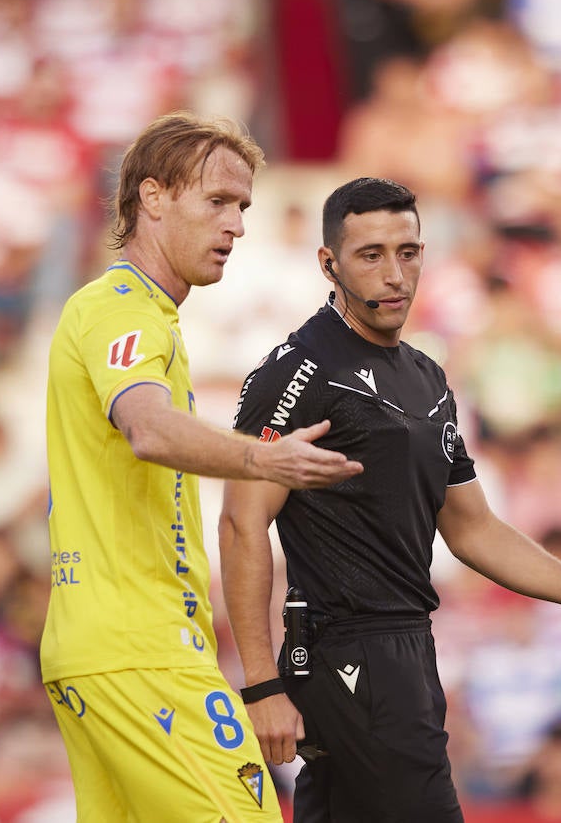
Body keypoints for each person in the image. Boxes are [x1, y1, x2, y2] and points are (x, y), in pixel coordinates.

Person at [218, 176, 561, 822]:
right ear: (328, 263)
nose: (395, 274)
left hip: (408, 648)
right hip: (347, 652)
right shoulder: (298, 370)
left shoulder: (427, 376)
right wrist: (262, 684)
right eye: (371, 254)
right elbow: (242, 522)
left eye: (408, 252)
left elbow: (472, 529)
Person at [41, 112, 362, 823]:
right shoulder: (120, 308)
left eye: (243, 206)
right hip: (140, 650)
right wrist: (264, 457)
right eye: (218, 201)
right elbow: (149, 430)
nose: (238, 224)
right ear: (152, 198)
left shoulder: (146, 320)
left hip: (103, 647)